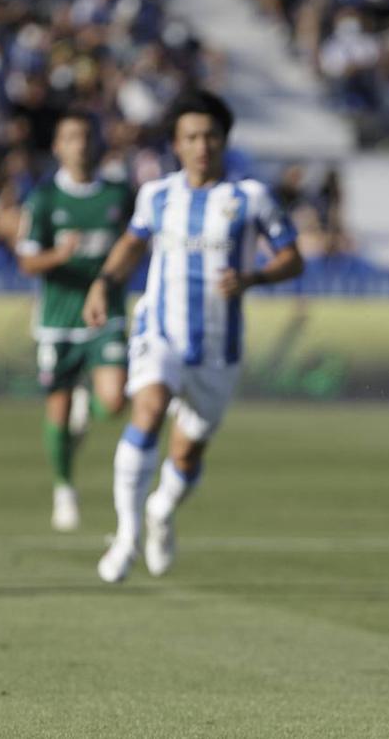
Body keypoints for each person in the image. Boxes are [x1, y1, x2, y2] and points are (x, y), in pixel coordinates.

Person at [84, 89, 304, 583]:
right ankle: (126, 535)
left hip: (217, 348)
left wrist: (254, 278)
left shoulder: (250, 198)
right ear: (176, 145)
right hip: (159, 330)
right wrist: (104, 281)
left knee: (186, 452)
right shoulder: (156, 195)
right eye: (191, 136)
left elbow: (293, 257)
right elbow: (131, 244)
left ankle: (161, 512)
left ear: (223, 140)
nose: (201, 145)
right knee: (148, 406)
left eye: (210, 135)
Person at [14, 110, 132, 531]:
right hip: (58, 319)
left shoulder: (119, 194)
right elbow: (27, 260)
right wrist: (58, 256)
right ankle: (64, 489)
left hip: (107, 313)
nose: (79, 144)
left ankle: (92, 406)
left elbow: (136, 244)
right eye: (70, 137)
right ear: (58, 147)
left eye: (85, 135)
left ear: (96, 143)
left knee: (115, 402)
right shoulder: (44, 199)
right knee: (58, 408)